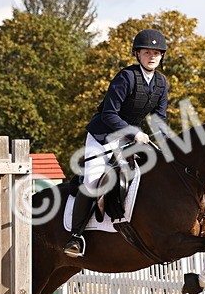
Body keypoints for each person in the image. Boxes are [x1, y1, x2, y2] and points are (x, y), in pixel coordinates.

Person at [63, 29, 169, 257]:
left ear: (162, 56)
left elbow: (160, 119)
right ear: (137, 54)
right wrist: (134, 133)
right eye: (147, 52)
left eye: (157, 53)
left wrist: (169, 146)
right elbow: (109, 114)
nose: (152, 56)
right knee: (93, 181)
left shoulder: (161, 83)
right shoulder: (126, 77)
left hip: (131, 138)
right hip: (103, 135)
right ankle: (76, 237)